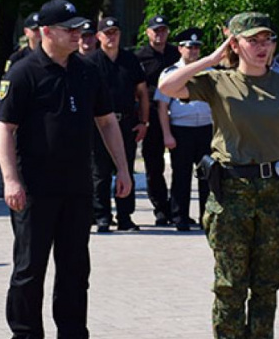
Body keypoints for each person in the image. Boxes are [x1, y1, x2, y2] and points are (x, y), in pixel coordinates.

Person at [159, 12, 279, 339]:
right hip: (231, 192)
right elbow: (167, 86)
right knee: (231, 280)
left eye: (268, 40)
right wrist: (212, 59)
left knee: (267, 280)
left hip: (276, 191)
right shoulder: (217, 82)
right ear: (237, 43)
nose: (262, 48)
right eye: (253, 40)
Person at [0, 0, 132, 339]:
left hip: (77, 186)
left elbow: (106, 122)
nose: (78, 35)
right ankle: (24, 338)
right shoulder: (23, 73)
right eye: (69, 29)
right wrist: (11, 180)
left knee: (75, 267)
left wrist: (123, 168)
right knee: (29, 268)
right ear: (46, 33)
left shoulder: (88, 72)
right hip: (34, 188)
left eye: (79, 29)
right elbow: (4, 128)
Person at [90, 17, 149, 232]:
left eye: (115, 32)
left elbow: (142, 93)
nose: (111, 36)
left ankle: (125, 216)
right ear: (98, 36)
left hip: (126, 123)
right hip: (99, 126)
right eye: (107, 33)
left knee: (126, 170)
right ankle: (102, 216)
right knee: (100, 173)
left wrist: (144, 122)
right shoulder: (91, 62)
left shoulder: (130, 60)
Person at [154, 28, 212, 231]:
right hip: (181, 129)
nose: (194, 51)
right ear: (180, 49)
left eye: (197, 47)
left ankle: (208, 217)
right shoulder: (170, 73)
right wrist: (167, 134)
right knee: (181, 176)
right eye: (190, 47)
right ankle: (180, 217)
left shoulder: (209, 72)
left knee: (208, 176)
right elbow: (162, 107)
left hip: (207, 129)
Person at [135, 15, 181, 226]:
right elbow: (137, 89)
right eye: (155, 30)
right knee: (154, 166)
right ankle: (161, 209)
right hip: (152, 115)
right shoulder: (140, 57)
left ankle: (178, 209)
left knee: (182, 166)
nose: (159, 34)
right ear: (148, 32)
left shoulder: (176, 54)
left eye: (163, 30)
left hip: (179, 114)